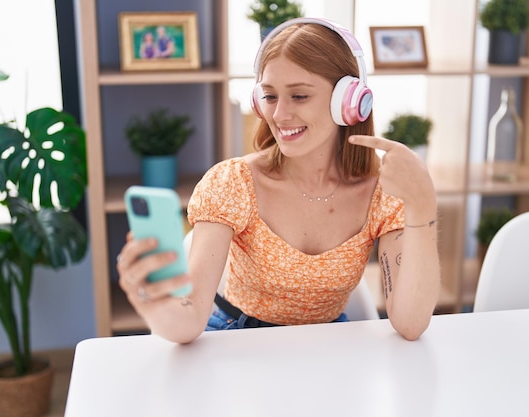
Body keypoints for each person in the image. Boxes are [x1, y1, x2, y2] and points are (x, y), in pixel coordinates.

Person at [117, 18, 440, 343]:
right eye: (270, 96)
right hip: (238, 340)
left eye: (299, 96)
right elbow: (188, 322)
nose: (279, 114)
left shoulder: (382, 195)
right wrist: (148, 297)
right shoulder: (234, 183)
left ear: (348, 102)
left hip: (326, 347)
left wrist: (422, 205)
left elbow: (410, 324)